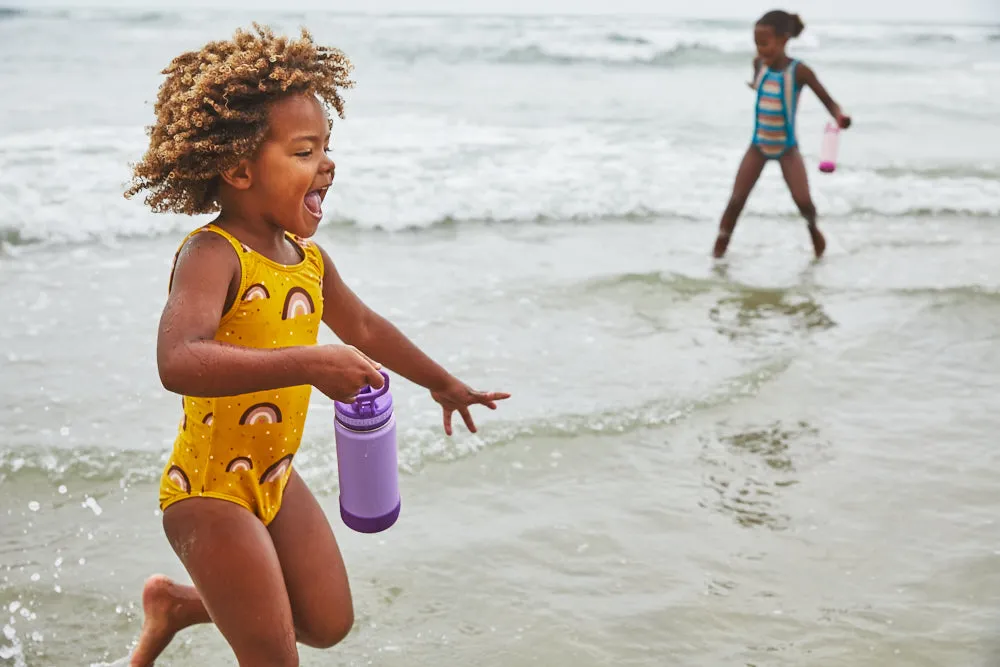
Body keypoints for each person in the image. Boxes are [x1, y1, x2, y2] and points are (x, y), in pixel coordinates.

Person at [123, 24, 510, 667]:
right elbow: (178, 360)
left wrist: (441, 381)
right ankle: (210, 605)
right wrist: (308, 361)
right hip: (211, 490)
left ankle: (182, 606)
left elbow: (364, 328)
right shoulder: (212, 254)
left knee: (328, 623)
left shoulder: (307, 260)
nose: (326, 163)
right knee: (275, 660)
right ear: (239, 168)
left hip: (274, 476)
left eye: (327, 148)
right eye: (304, 151)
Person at [712, 10, 852, 259]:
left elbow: (829, 102)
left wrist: (839, 117)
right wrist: (754, 83)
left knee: (804, 202)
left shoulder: (800, 71)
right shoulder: (758, 64)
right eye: (756, 43)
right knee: (736, 200)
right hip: (758, 145)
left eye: (765, 43)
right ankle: (719, 250)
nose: (760, 49)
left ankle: (814, 233)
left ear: (784, 40)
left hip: (787, 147)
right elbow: (758, 84)